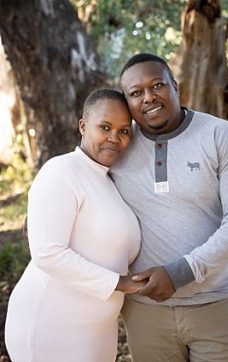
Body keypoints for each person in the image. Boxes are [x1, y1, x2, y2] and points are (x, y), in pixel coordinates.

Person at [111, 53, 228, 361]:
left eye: (157, 85)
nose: (148, 97)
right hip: (145, 313)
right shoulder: (117, 148)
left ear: (175, 86)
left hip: (217, 303)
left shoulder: (219, 135)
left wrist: (179, 273)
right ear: (127, 103)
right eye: (135, 93)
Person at [5, 89, 143, 361]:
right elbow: (48, 253)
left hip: (96, 333)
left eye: (124, 131)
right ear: (83, 125)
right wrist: (121, 284)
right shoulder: (61, 170)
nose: (114, 138)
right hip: (52, 326)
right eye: (105, 127)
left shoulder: (110, 180)